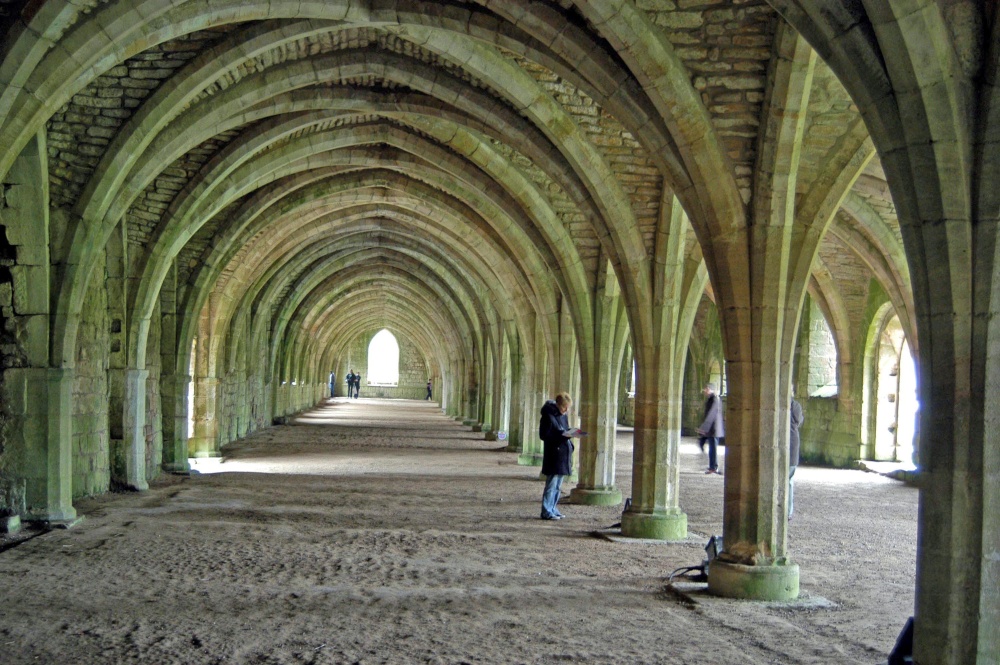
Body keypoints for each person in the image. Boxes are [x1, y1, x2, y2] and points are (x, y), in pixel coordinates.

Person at [539, 392, 575, 520]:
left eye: (568, 408)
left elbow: (564, 429)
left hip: (562, 454)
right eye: (565, 407)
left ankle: (553, 508)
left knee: (558, 486)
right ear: (558, 404)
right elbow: (543, 435)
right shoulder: (548, 416)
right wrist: (562, 435)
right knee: (551, 485)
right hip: (554, 454)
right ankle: (546, 511)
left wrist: (570, 433)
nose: (566, 410)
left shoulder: (562, 415)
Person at [697, 382, 725, 475]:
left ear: (710, 389)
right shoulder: (711, 399)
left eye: (706, 389)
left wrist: (703, 428)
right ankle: (712, 466)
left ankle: (713, 467)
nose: (704, 390)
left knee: (713, 449)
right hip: (711, 429)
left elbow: (711, 415)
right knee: (708, 446)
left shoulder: (714, 399)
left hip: (713, 429)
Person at [788, 390, 804, 519]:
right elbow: (799, 421)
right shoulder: (795, 406)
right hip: (792, 444)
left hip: (789, 445)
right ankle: (787, 511)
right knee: (789, 481)